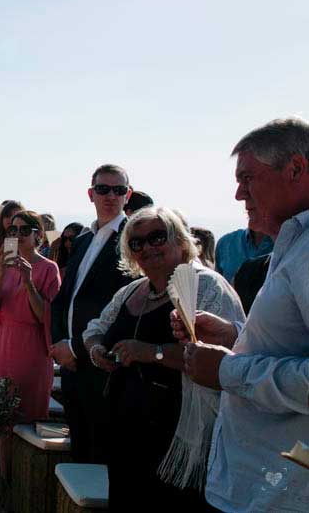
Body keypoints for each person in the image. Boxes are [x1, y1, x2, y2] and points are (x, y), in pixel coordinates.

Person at [178, 117, 309, 512]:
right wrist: (235, 336)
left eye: (248, 177)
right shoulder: (292, 243)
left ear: (296, 169)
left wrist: (226, 372)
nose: (238, 194)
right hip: (259, 486)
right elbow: (292, 345)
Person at [83, 207, 243, 510]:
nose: (147, 247)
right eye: (137, 243)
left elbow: (222, 360)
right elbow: (95, 328)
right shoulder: (133, 290)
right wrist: (96, 350)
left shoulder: (204, 286)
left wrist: (151, 352)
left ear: (180, 240)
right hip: (127, 434)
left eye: (157, 237)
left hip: (177, 439)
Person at [49, 165, 135, 463]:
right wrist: (60, 344)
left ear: (128, 195)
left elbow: (123, 308)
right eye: (103, 189)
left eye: (118, 190)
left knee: (101, 459)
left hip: (102, 368)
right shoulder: (84, 241)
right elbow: (63, 299)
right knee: (79, 452)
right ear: (91, 194)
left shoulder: (133, 241)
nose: (110, 196)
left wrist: (75, 347)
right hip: (72, 367)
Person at [0, 211, 60, 421]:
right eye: (13, 230)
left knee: (28, 413)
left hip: (32, 345)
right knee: (0, 413)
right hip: (4, 342)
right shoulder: (5, 265)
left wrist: (28, 282)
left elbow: (44, 316)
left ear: (38, 235)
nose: (18, 234)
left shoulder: (48, 268)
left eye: (25, 230)